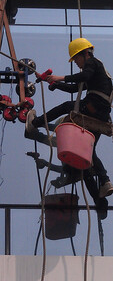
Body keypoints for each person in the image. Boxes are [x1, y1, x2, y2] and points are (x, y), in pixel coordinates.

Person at [26, 37, 113, 198]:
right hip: (102, 116)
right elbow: (75, 88)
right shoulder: (97, 73)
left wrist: (59, 77)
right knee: (90, 150)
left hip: (93, 106)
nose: (76, 63)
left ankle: (35, 123)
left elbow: (83, 77)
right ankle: (105, 182)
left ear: (85, 53)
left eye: (76, 59)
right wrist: (55, 84)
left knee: (67, 106)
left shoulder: (92, 63)